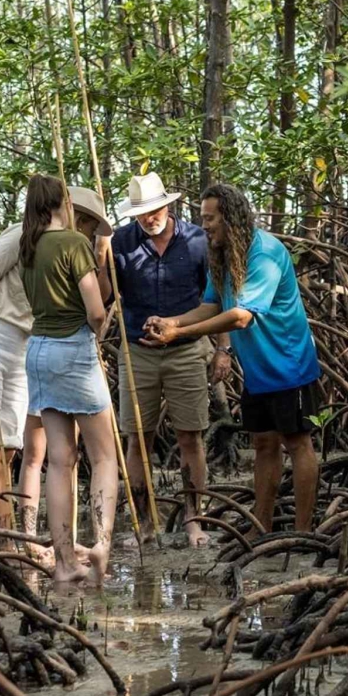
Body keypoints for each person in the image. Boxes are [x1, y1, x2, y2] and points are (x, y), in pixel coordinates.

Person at [141, 183, 322, 539]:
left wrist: (178, 335)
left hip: (289, 366)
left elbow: (240, 317)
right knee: (264, 444)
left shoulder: (264, 254)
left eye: (210, 219)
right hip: (258, 372)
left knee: (297, 443)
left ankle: (302, 533)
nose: (204, 226)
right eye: (203, 218)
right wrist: (171, 322)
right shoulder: (223, 255)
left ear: (231, 218)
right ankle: (260, 528)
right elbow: (212, 305)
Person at [0, 183, 112, 565]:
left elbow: (97, 298)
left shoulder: (66, 246)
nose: (87, 234)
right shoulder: (21, 236)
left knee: (5, 450)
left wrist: (101, 253)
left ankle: (5, 547)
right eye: (87, 226)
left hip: (26, 345)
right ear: (72, 212)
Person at [110, 173, 231, 547]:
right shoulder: (120, 242)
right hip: (137, 353)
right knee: (137, 440)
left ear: (168, 205)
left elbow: (218, 297)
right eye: (141, 213)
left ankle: (194, 521)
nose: (149, 218)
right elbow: (104, 296)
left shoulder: (196, 240)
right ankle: (145, 526)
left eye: (155, 210)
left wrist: (222, 349)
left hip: (187, 350)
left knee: (191, 436)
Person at [20, 175, 119, 586]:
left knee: (60, 461)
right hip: (72, 349)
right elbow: (95, 310)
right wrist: (100, 331)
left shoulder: (28, 246)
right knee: (104, 456)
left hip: (38, 351)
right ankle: (101, 547)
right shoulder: (73, 243)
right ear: (61, 204)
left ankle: (64, 564)